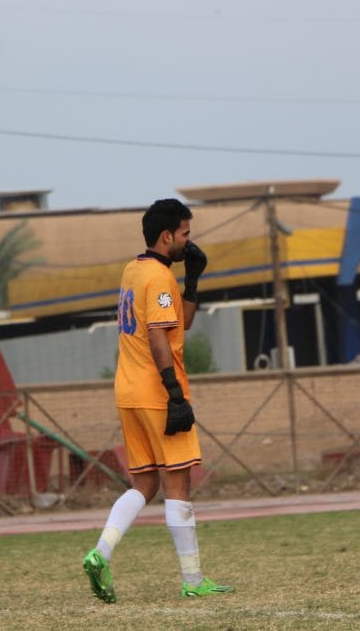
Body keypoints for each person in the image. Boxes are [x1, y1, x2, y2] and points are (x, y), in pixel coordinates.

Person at [82, 198, 234, 603]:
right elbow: (158, 336)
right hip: (157, 393)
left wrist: (193, 281)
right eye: (185, 233)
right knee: (178, 480)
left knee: (145, 482)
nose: (189, 241)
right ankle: (193, 578)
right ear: (167, 236)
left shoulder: (133, 270)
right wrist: (174, 392)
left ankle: (100, 553)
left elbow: (181, 323)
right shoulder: (160, 278)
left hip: (128, 391)